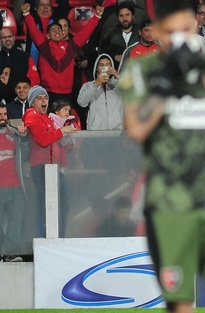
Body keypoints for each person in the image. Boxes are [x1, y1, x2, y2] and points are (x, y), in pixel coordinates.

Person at [118, 1, 205, 313]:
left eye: (185, 29)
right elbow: (137, 128)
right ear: (158, 33)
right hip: (170, 204)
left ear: (195, 26)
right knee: (181, 304)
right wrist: (166, 85)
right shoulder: (142, 70)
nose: (180, 37)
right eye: (171, 32)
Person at [22, 3, 104, 106]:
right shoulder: (44, 46)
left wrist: (96, 17)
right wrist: (26, 14)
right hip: (48, 91)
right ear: (47, 35)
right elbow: (33, 30)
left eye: (59, 30)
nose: (57, 31)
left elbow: (85, 33)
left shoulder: (71, 46)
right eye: (53, 30)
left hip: (67, 93)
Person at [22, 85, 76, 237]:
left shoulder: (48, 118)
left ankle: (59, 238)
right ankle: (46, 238)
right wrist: (62, 131)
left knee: (63, 206)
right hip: (41, 168)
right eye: (39, 98)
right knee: (45, 206)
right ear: (32, 102)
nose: (43, 100)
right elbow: (43, 140)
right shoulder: (32, 115)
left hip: (54, 168)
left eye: (45, 97)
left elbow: (56, 140)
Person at [0, 104, 27, 262]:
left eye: (4, 114)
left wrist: (24, 137)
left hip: (15, 185)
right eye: (0, 114)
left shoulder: (14, 133)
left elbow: (26, 153)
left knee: (17, 219)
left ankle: (10, 253)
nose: (3, 117)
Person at [77, 54, 123, 130]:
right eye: (101, 65)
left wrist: (117, 75)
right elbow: (81, 102)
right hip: (96, 132)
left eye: (108, 65)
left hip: (116, 132)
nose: (105, 67)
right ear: (97, 68)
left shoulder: (118, 84)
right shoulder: (89, 85)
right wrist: (96, 84)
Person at [23, 0, 70, 65]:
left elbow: (64, 6)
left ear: (51, 8)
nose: (45, 7)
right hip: (34, 64)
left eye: (48, 5)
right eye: (42, 5)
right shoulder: (33, 18)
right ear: (36, 8)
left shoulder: (57, 19)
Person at [99, 1, 140, 70]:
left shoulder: (141, 32)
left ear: (133, 16)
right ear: (117, 17)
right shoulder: (110, 33)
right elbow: (102, 53)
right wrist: (114, 57)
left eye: (127, 15)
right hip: (115, 72)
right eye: (121, 16)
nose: (124, 19)